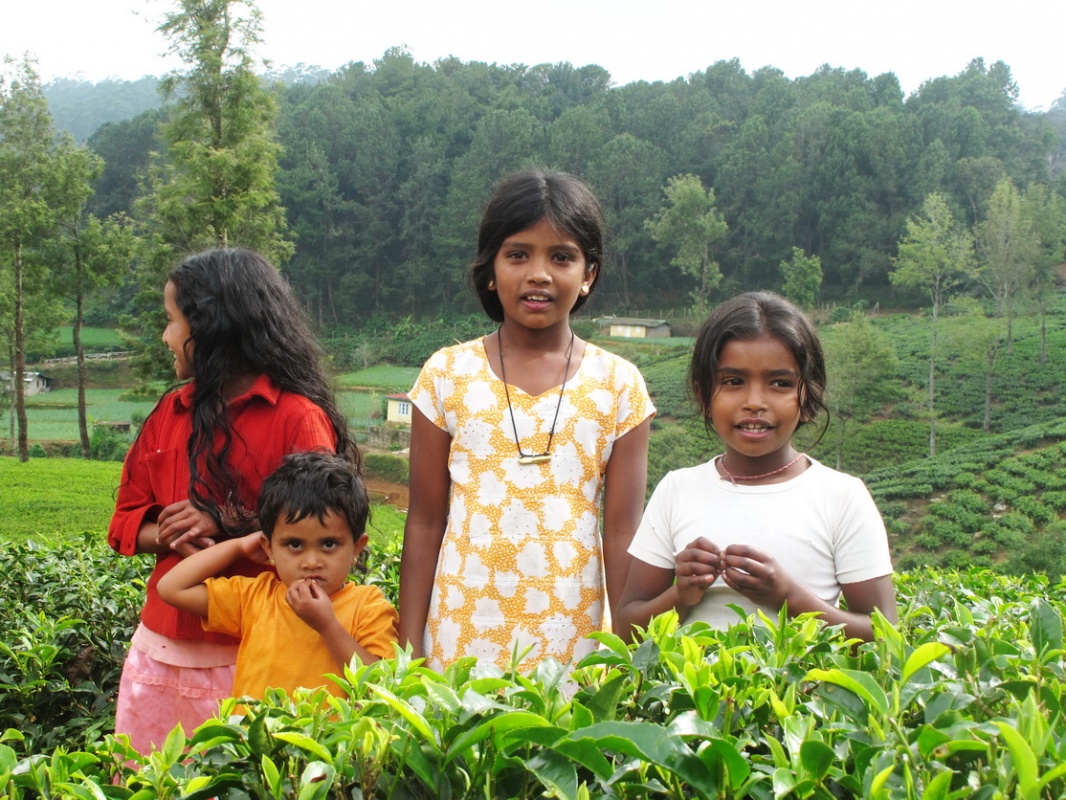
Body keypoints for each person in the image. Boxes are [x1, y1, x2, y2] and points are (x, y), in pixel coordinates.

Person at [399, 169, 655, 672]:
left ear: (589, 274)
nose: (539, 273)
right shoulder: (446, 375)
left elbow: (622, 533)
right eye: (518, 255)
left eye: (561, 257)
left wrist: (628, 659)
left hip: (574, 639)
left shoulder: (619, 385)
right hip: (459, 634)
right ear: (491, 270)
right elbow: (425, 521)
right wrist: (408, 653)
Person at [107, 247, 356, 754]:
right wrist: (170, 533)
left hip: (252, 652)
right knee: (146, 780)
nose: (166, 336)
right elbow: (124, 522)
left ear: (210, 325)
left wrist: (224, 523)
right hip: (158, 648)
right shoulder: (168, 413)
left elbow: (318, 534)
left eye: (172, 321)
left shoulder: (297, 418)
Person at [617, 291, 896, 643]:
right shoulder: (677, 490)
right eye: (733, 382)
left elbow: (885, 636)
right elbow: (626, 628)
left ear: (808, 397)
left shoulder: (842, 497)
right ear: (703, 395)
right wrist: (680, 595)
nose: (754, 402)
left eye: (780, 383)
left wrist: (788, 597)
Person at [157, 451, 398, 700]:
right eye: (294, 544)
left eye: (328, 544)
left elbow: (381, 687)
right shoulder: (255, 597)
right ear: (269, 548)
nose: (311, 562)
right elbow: (171, 588)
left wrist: (327, 626)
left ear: (356, 548)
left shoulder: (368, 607)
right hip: (255, 728)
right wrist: (237, 547)